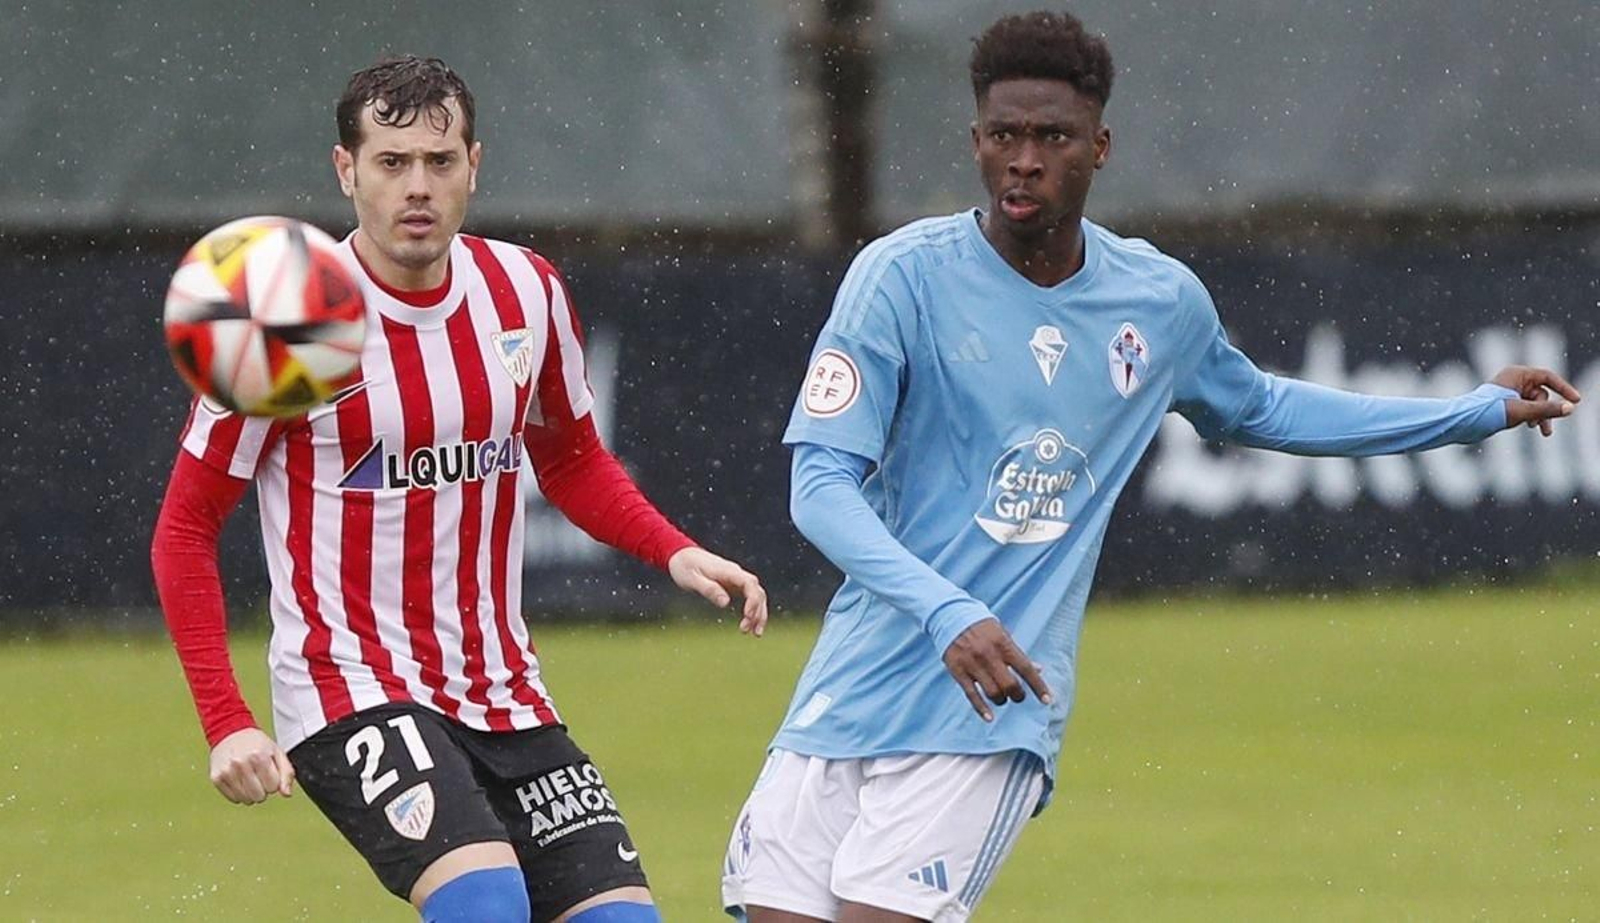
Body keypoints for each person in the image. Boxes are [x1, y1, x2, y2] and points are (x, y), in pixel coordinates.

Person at [721, 11, 1579, 923]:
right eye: (1004, 135)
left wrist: (1471, 411)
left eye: (1052, 137)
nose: (1024, 159)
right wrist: (946, 609)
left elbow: (1266, 406)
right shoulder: (899, 278)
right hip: (848, 691)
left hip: (989, 712)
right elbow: (818, 490)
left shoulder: (1156, 302)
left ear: (1099, 147)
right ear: (975, 142)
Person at [151, 56, 767, 923]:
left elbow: (573, 459)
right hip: (351, 684)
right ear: (345, 170)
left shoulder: (525, 290)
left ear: (475, 166)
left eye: (440, 163)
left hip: (504, 691)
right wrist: (228, 720)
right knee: (486, 902)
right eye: (391, 163)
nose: (417, 187)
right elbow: (186, 526)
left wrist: (675, 548)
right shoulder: (286, 310)